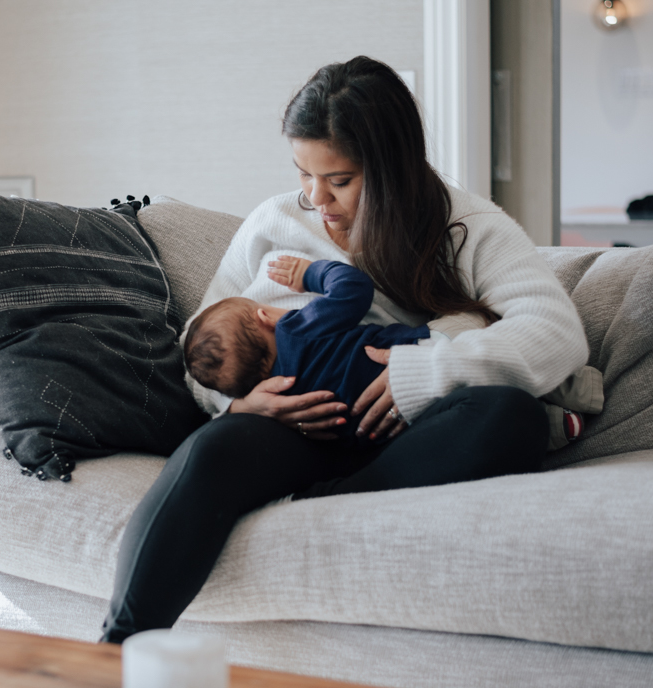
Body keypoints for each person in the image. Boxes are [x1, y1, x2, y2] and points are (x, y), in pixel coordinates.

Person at [100, 56, 590, 643]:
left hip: (404, 434)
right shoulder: (273, 221)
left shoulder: (468, 227)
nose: (315, 198)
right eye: (304, 174)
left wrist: (430, 370)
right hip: (291, 425)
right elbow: (200, 339)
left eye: (339, 181)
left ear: (393, 169)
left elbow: (556, 331)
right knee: (211, 454)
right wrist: (240, 402)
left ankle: (331, 502)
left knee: (509, 418)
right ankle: (117, 646)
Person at [184, 255, 597, 447]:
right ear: (264, 317)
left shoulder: (283, 404)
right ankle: (574, 387)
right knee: (475, 335)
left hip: (386, 433)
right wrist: (309, 272)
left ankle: (555, 429)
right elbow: (353, 289)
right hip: (416, 356)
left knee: (466, 412)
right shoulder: (299, 326)